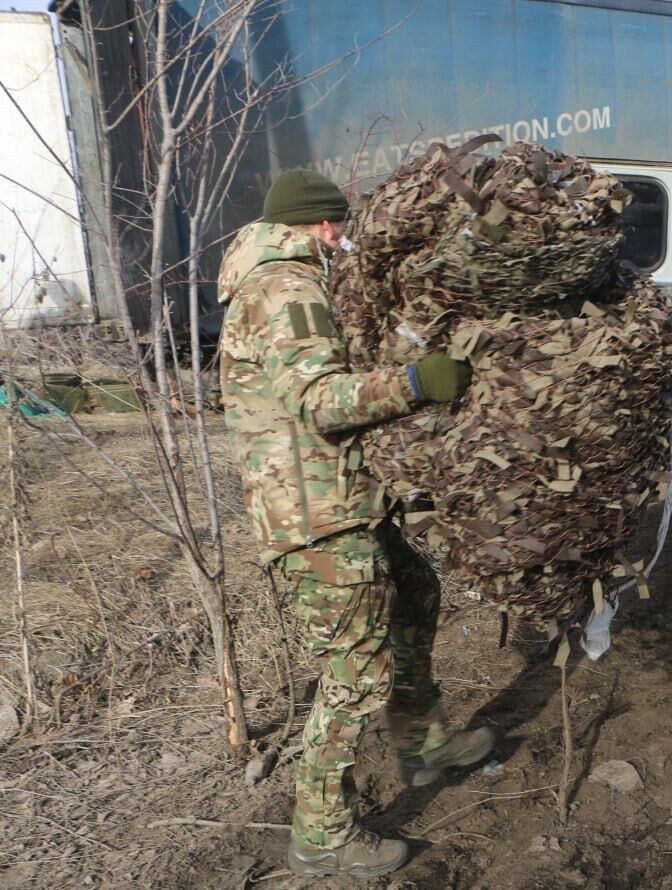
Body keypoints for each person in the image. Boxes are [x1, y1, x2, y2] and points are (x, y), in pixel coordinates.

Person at [217, 169, 495, 878]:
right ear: (317, 225)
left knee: (416, 590)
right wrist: (412, 385)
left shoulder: (277, 281)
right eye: (336, 225)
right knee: (356, 673)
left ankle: (422, 743)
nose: (342, 238)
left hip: (334, 502)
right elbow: (318, 402)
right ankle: (322, 834)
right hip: (315, 519)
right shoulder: (284, 288)